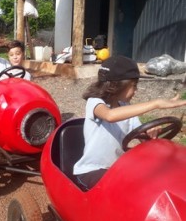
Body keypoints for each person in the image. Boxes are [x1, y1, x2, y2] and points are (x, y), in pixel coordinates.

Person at [73, 55, 186, 191]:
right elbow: (109, 116)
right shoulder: (95, 102)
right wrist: (156, 103)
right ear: (118, 85)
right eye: (134, 85)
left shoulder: (125, 108)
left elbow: (140, 134)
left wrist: (150, 132)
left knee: (153, 179)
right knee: (124, 190)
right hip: (91, 171)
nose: (136, 91)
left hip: (117, 168)